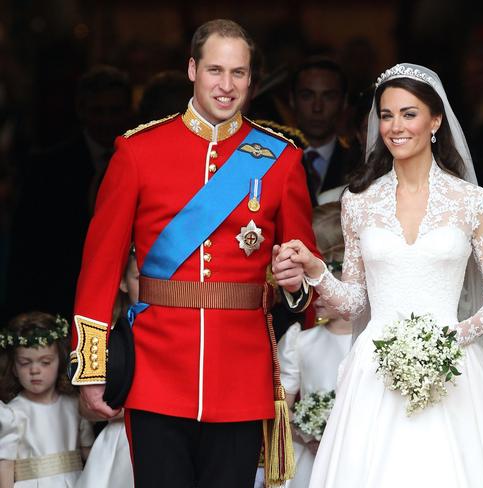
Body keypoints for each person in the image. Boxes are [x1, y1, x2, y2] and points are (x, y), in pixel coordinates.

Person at [70, 19, 317, 488]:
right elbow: (101, 266)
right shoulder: (137, 151)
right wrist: (91, 366)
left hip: (241, 375)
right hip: (156, 370)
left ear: (252, 79)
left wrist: (297, 283)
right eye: (215, 71)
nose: (226, 86)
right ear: (192, 70)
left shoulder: (281, 160)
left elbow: (305, 281)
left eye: (239, 73)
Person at [272, 63, 483, 487]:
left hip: (452, 363)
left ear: (435, 121)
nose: (395, 126)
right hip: (374, 371)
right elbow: (355, 302)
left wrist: (450, 338)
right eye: (386, 114)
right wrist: (318, 271)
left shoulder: (472, 201)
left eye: (408, 114)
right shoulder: (359, 202)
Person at [5, 66, 133, 321]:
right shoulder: (46, 169)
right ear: (81, 111)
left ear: (129, 111)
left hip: (129, 308)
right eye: (98, 111)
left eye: (115, 111)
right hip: (62, 305)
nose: (107, 120)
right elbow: (26, 250)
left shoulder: (147, 161)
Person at [277, 202, 352, 488]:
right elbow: (282, 406)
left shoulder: (371, 343)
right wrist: (307, 428)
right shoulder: (299, 340)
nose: (315, 292)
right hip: (308, 461)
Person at [0, 312, 95, 487]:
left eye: (45, 362)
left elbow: (89, 451)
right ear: (13, 367)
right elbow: (5, 464)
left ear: (60, 361)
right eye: (25, 362)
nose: (34, 370)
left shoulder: (75, 404)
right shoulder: (11, 414)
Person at [76, 250, 138, 488]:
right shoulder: (106, 335)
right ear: (122, 282)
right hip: (118, 442)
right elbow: (86, 408)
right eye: (139, 278)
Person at [290, 58, 355, 205]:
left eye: (329, 97)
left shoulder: (357, 162)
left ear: (344, 102)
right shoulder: (273, 157)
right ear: (292, 100)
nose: (317, 107)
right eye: (307, 96)